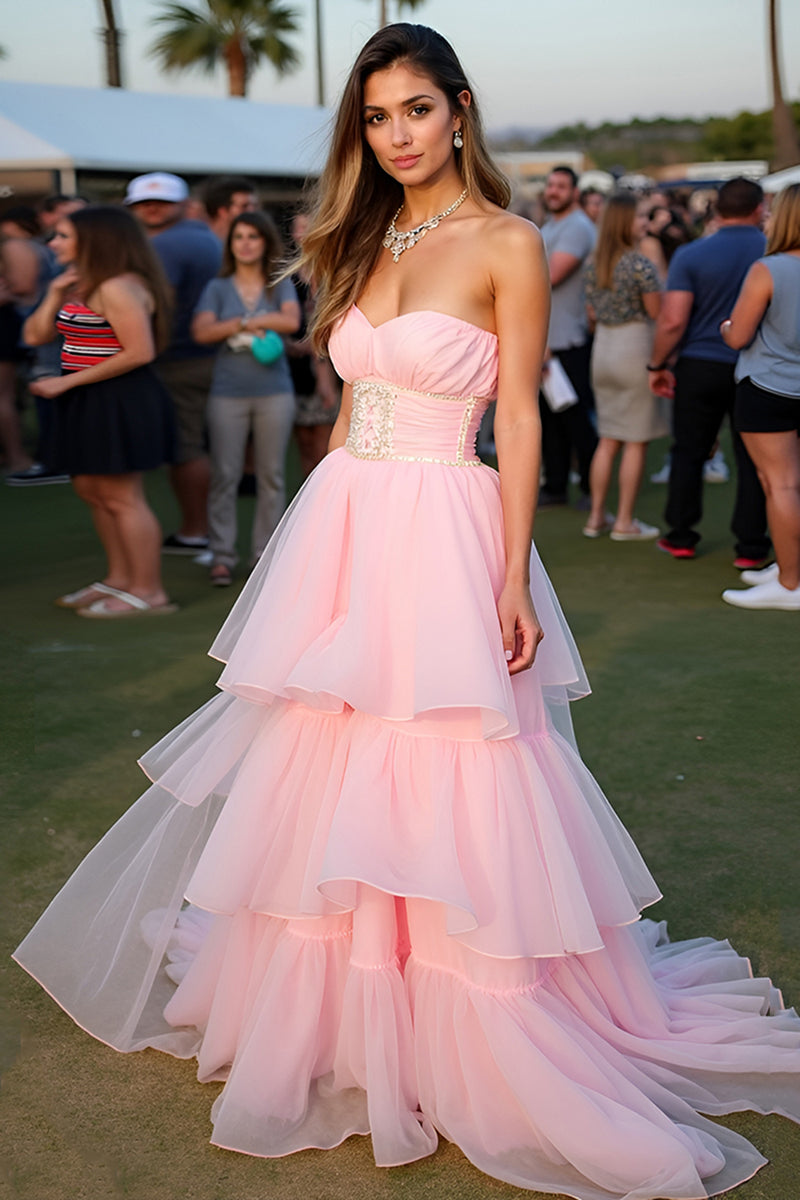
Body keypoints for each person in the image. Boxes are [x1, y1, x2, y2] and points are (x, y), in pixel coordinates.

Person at [13, 24, 800, 1200]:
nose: (396, 135)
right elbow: (346, 404)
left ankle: (456, 1006)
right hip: (346, 519)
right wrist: (315, 538)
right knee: (323, 747)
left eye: (416, 110)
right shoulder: (360, 233)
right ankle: (335, 998)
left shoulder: (507, 241)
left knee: (445, 750)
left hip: (444, 518)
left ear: (459, 111)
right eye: (376, 117)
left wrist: (507, 574)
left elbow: (520, 418)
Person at [22, 205, 177, 617]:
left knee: (122, 496)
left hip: (118, 400)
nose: (53, 243)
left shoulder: (118, 287)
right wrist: (55, 293)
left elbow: (140, 352)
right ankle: (119, 580)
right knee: (92, 491)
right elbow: (34, 335)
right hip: (87, 398)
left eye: (63, 236)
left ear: (94, 240)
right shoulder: (79, 283)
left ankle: (149, 592)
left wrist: (65, 383)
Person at [649, 177, 770, 565]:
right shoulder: (775, 251)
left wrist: (657, 364)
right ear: (759, 208)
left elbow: (673, 320)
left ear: (717, 209)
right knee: (754, 457)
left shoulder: (692, 253)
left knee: (689, 451)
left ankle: (681, 536)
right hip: (757, 366)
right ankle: (751, 546)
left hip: (700, 364)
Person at [191, 211, 301, 586]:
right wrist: (249, 322)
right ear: (230, 244)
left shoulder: (278, 283)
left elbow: (291, 322)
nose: (246, 243)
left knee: (271, 476)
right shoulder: (217, 287)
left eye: (253, 236)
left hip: (275, 393)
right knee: (225, 475)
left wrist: (236, 325)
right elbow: (201, 331)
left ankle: (262, 557)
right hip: (228, 393)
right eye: (239, 237)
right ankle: (222, 556)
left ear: (266, 241)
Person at [125, 172, 222, 556]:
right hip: (210, 356)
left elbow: (156, 307)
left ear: (184, 205)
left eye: (161, 202)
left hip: (180, 360)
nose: (152, 208)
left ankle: (196, 531)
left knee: (186, 447)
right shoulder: (207, 237)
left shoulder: (164, 245)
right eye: (143, 203)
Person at [718, 183, 800, 610]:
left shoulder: (768, 269)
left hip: (769, 387)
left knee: (780, 485)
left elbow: (738, 336)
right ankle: (790, 566)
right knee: (786, 484)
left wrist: (726, 328)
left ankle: (790, 584)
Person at [583, 192, 665, 540]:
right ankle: (624, 521)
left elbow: (590, 315)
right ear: (625, 222)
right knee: (635, 440)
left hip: (603, 348)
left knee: (608, 439)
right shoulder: (639, 264)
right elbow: (658, 313)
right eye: (640, 217)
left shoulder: (594, 263)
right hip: (634, 347)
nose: (645, 223)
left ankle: (596, 517)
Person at [538, 165, 598, 509]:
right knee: (550, 420)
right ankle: (556, 486)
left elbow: (551, 275)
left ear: (575, 192)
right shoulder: (551, 225)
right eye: (550, 185)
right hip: (546, 339)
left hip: (567, 339)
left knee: (576, 421)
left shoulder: (576, 226)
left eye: (561, 186)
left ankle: (591, 488)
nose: (553, 191)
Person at [286, 211, 341, 478]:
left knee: (324, 442)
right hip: (293, 368)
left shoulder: (334, 270)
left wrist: (320, 358)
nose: (304, 234)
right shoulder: (287, 275)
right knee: (304, 441)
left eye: (309, 227)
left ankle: (325, 492)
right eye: (299, 228)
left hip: (328, 367)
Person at [202, 176, 260, 242]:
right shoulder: (200, 242)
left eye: (255, 206)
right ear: (222, 211)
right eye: (244, 206)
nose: (252, 211)